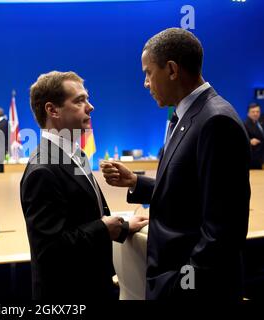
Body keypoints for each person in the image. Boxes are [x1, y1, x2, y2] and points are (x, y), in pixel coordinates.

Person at [101, 28, 250, 300]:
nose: (145, 83)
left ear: (171, 69)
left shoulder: (216, 121)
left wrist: (183, 284)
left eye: (148, 72)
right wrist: (136, 182)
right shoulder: (187, 115)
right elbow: (190, 191)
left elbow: (223, 231)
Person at [21, 71, 149, 300]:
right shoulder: (42, 170)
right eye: (79, 100)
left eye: (87, 99)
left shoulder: (73, 154)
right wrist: (105, 228)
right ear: (52, 110)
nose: (90, 107)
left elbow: (82, 218)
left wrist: (123, 226)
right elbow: (49, 251)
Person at [244, 103, 264, 169]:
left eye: (257, 111)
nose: (255, 114)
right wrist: (249, 141)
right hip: (251, 160)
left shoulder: (260, 122)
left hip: (260, 159)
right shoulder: (245, 124)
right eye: (253, 112)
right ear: (248, 113)